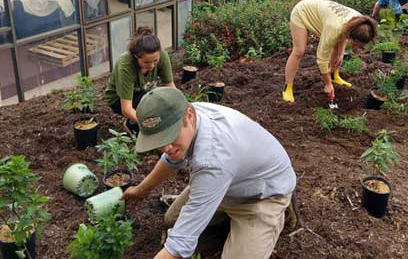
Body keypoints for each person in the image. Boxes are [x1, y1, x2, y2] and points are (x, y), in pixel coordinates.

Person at [121, 87, 297, 259]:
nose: (166, 147)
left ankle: (276, 215)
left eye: (170, 137)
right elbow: (171, 159)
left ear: (189, 115)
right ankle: (226, 219)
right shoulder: (189, 114)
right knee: (171, 220)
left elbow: (179, 246)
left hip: (261, 196)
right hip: (226, 183)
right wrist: (141, 190)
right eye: (159, 141)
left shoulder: (212, 159)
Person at [283, 0, 378, 103]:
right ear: (350, 36)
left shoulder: (360, 22)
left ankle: (334, 76)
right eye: (355, 44)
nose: (356, 48)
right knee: (299, 51)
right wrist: (327, 84)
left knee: (337, 51)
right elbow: (321, 59)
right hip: (302, 12)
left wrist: (341, 54)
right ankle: (288, 87)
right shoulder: (334, 27)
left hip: (328, 17)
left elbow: (343, 34)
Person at [105, 26, 175, 133]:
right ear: (136, 57)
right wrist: (148, 124)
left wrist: (181, 106)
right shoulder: (126, 65)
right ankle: (132, 124)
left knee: (161, 101)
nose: (152, 65)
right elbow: (126, 108)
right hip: (118, 99)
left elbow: (171, 87)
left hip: (143, 91)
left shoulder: (162, 56)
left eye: (155, 61)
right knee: (151, 107)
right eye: (146, 62)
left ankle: (139, 120)